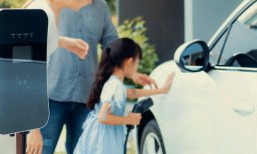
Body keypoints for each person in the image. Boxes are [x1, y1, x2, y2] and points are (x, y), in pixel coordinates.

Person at [29, 0, 160, 154]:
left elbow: (112, 45)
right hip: (52, 92)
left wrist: (131, 72)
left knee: (86, 149)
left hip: (86, 95)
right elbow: (37, 47)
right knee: (40, 149)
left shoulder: (100, 7)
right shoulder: (53, 6)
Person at [74, 38, 175, 154]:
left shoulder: (115, 83)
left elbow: (133, 93)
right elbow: (103, 117)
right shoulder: (114, 86)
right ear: (129, 61)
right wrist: (128, 119)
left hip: (102, 136)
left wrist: (162, 90)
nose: (137, 67)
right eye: (137, 63)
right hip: (104, 141)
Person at [23, 0, 92, 154]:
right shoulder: (43, 13)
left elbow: (37, 42)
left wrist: (63, 42)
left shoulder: (48, 10)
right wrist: (34, 129)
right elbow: (30, 73)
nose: (90, 1)